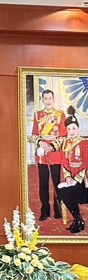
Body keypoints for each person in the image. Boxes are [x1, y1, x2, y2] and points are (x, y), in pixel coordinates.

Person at [31, 88, 67, 221]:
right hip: (42, 155)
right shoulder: (38, 115)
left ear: (53, 99)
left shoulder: (60, 115)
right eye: (45, 98)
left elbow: (63, 135)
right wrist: (41, 143)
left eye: (50, 98)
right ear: (42, 100)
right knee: (43, 183)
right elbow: (34, 134)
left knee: (57, 182)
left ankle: (58, 210)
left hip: (55, 153)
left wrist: (51, 147)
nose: (48, 101)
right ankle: (45, 210)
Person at [56, 107, 88, 233]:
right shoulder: (65, 143)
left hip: (83, 179)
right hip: (71, 177)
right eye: (69, 129)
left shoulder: (84, 143)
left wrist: (76, 179)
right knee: (60, 191)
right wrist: (68, 177)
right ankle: (78, 218)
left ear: (78, 129)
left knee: (70, 192)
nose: (71, 131)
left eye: (74, 128)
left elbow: (86, 163)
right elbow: (64, 161)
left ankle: (78, 220)